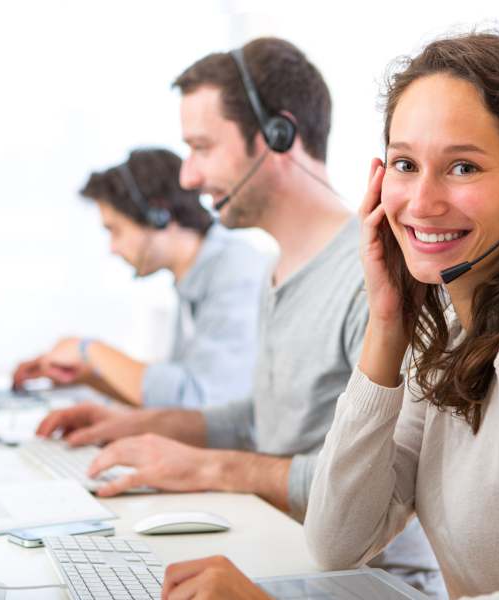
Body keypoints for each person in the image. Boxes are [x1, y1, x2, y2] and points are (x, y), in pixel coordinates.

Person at [162, 31, 499, 599]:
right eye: (405, 164)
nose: (421, 202)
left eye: (463, 167)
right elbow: (338, 540)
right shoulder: (452, 338)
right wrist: (387, 323)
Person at [37, 37, 442, 593]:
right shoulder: (275, 270)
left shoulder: (375, 277)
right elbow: (264, 420)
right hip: (286, 547)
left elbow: (378, 485)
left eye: (202, 147)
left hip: (366, 579)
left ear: (280, 135)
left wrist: (208, 467)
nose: (187, 178)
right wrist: (138, 426)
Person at [12, 148, 269, 408]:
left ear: (159, 216)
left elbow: (203, 402)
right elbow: (172, 403)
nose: (112, 248)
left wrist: (88, 350)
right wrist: (87, 379)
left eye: (115, 230)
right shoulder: (193, 280)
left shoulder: (237, 272)